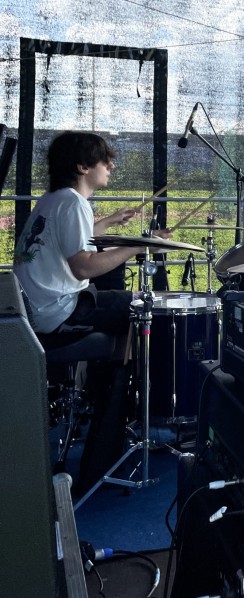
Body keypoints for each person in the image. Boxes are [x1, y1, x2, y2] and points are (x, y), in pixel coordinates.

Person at [13, 131, 163, 494]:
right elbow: (83, 265)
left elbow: (70, 239)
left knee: (125, 314)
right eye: (104, 160)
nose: (111, 165)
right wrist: (139, 246)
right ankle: (104, 453)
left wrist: (109, 222)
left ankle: (105, 421)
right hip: (58, 312)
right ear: (83, 166)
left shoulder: (54, 200)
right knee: (141, 308)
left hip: (36, 310)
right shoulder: (74, 202)